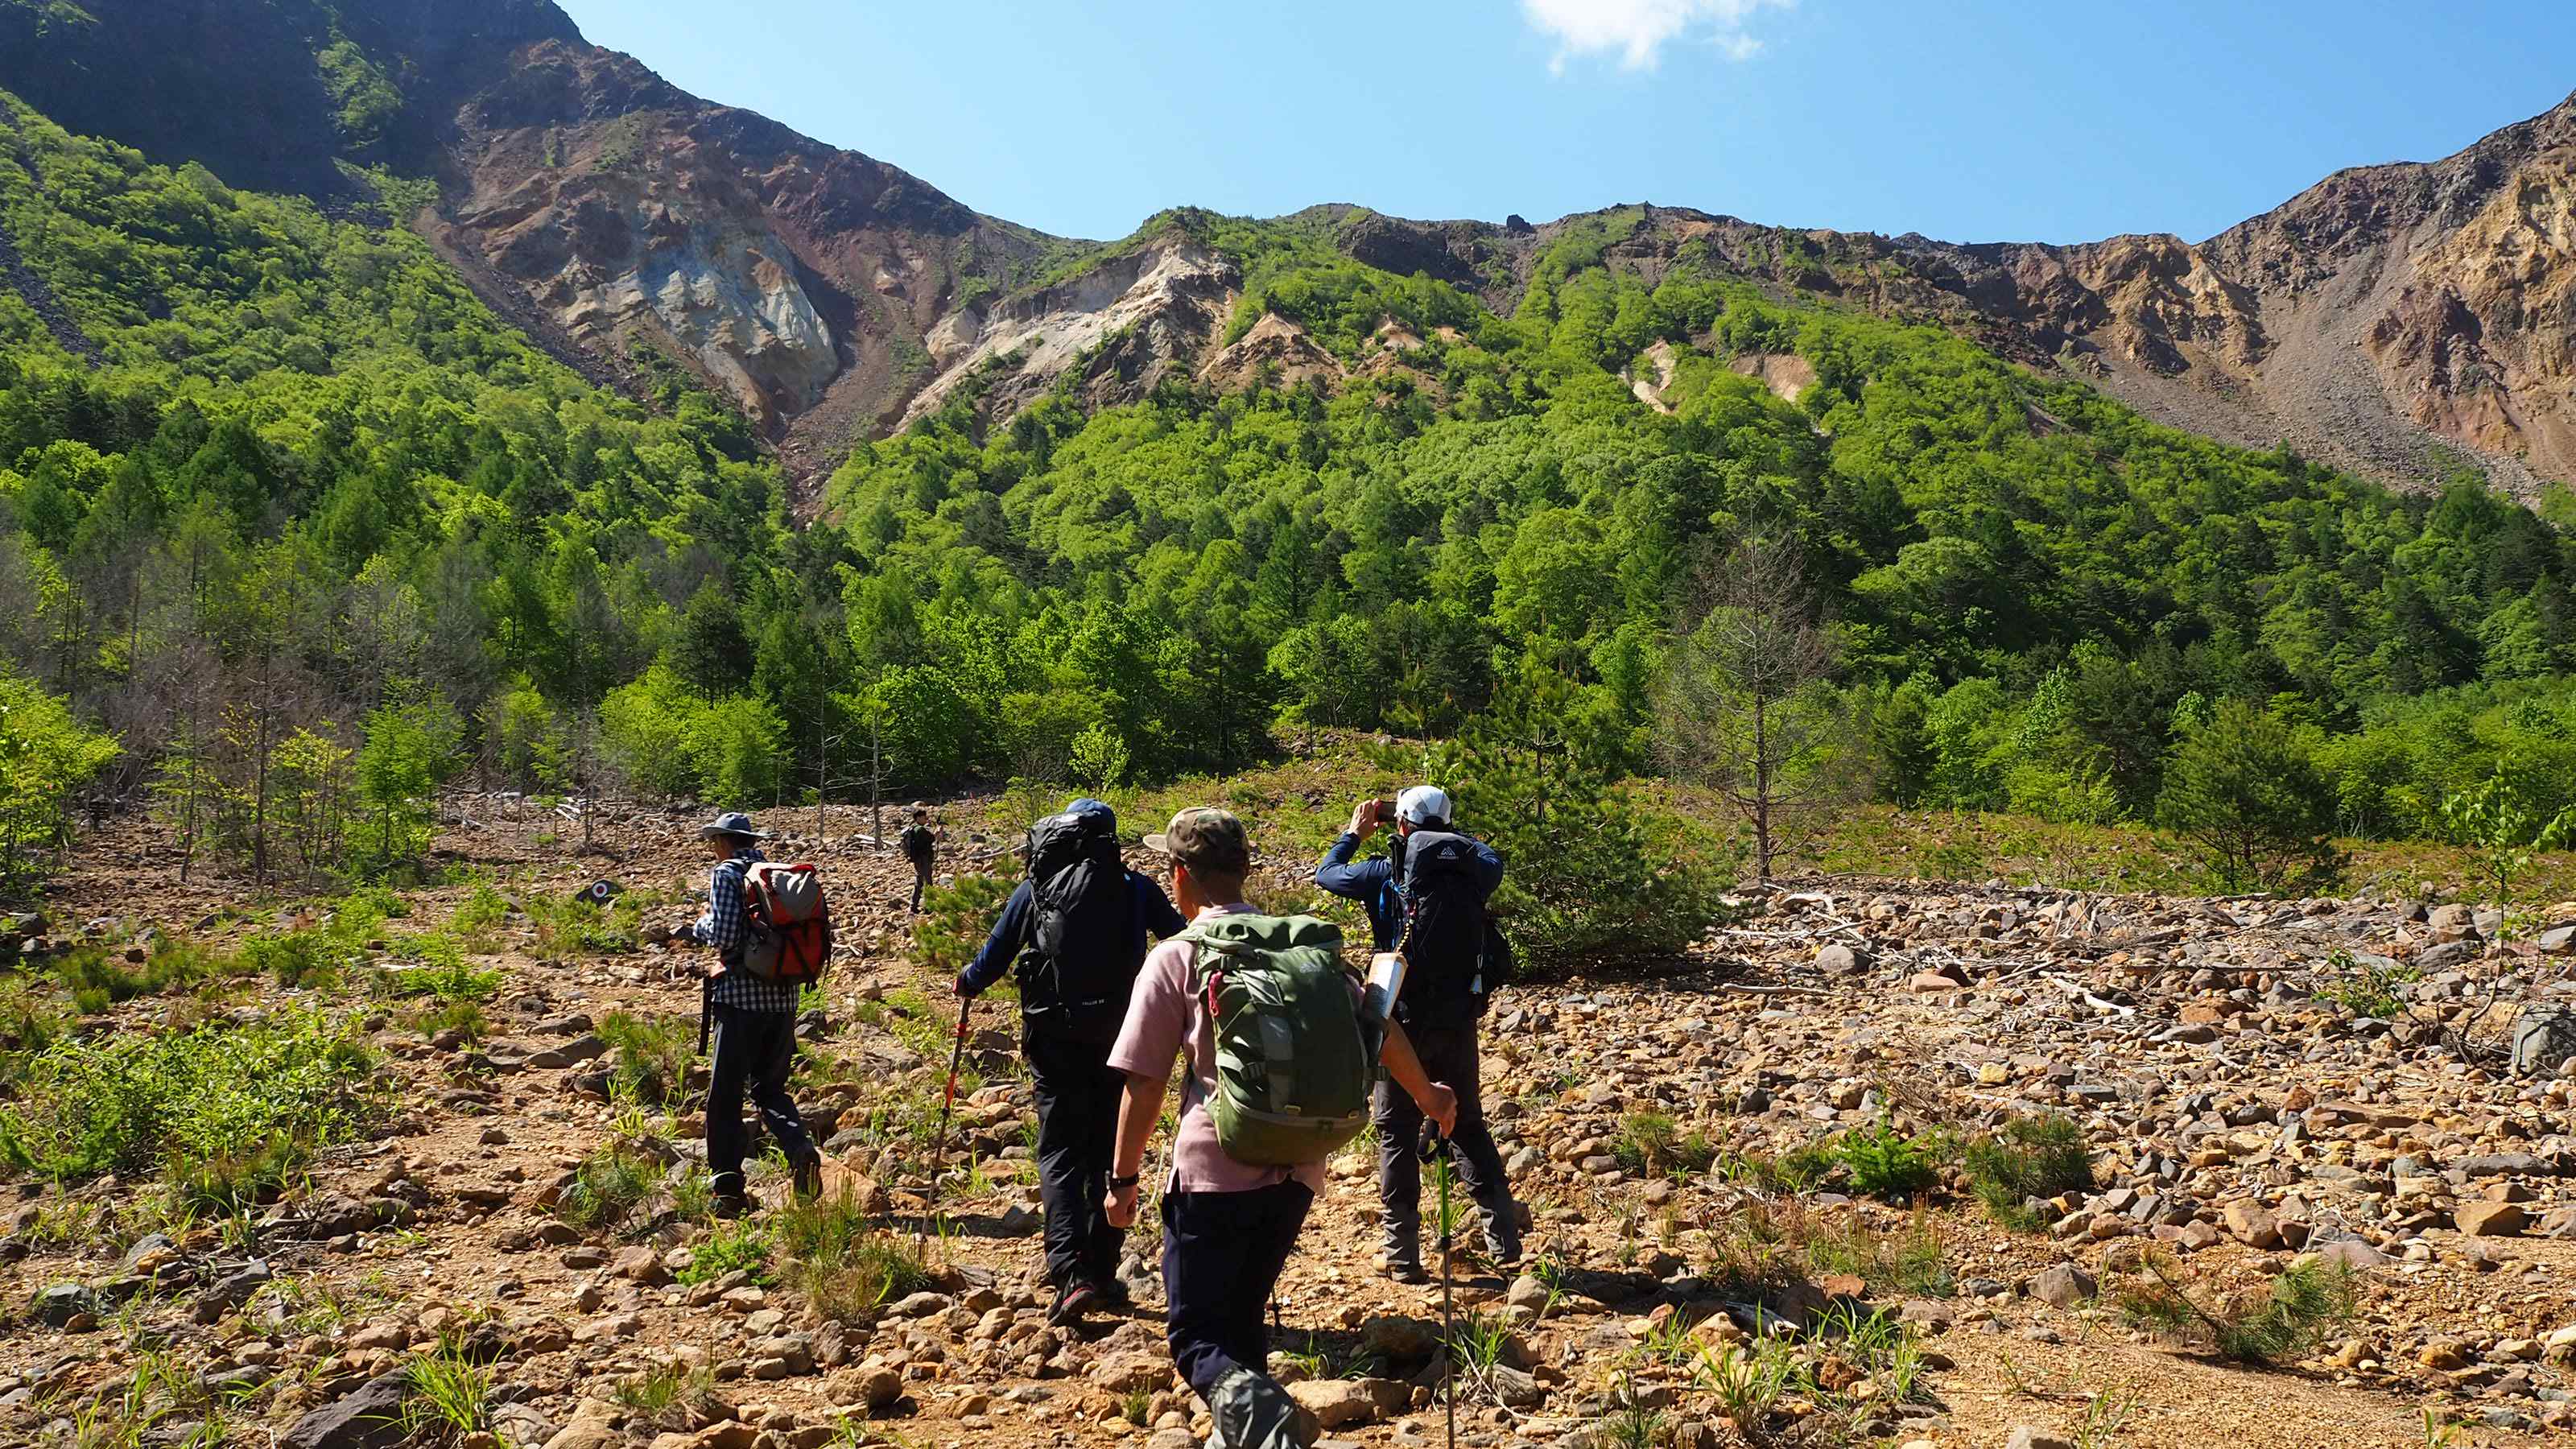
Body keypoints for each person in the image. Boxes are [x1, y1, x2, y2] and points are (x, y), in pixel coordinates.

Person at [1105, 807, 1459, 1449]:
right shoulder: (1303, 947)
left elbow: (1144, 1082)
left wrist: (1122, 1179)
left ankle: (1266, 1417)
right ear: (1244, 869)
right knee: (1241, 1326)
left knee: (1196, 1339)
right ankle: (1256, 1431)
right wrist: (1429, 1097)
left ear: (1179, 874)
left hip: (1215, 1170)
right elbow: (1378, 1028)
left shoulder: (1178, 956)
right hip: (1299, 1168)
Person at [957, 797, 1187, 1324]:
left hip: (1053, 1038)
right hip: (1120, 1036)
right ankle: (1102, 1271)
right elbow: (1181, 940)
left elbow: (993, 958)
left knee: (1061, 1152)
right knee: (1110, 1147)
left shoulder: (1035, 889)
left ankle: (1069, 1276)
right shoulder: (1135, 888)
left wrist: (966, 982)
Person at [1314, 785, 1521, 1280]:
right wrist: (1449, 838)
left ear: (1401, 824)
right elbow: (1489, 856)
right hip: (1457, 1017)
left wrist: (1355, 833)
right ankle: (1505, 1244)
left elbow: (1327, 874)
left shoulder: (1384, 873)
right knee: (1466, 1122)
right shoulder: (1476, 870)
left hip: (1398, 1022)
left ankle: (1403, 1256)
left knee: (1397, 1131)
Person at [670, 811, 822, 1217]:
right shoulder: (776, 873)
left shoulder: (727, 873)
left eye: (714, 841)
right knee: (770, 1090)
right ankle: (800, 1148)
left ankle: (727, 1190)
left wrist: (698, 926)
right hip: (784, 1000)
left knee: (725, 1096)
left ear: (723, 842)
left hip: (739, 1000)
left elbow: (724, 934)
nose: (712, 848)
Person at [898, 804, 940, 913]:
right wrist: (937, 831)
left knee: (919, 882)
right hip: (924, 859)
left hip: (918, 859)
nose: (926, 819)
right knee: (928, 883)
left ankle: (914, 906)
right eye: (924, 817)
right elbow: (931, 838)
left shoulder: (913, 829)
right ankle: (928, 907)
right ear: (918, 818)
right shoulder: (920, 830)